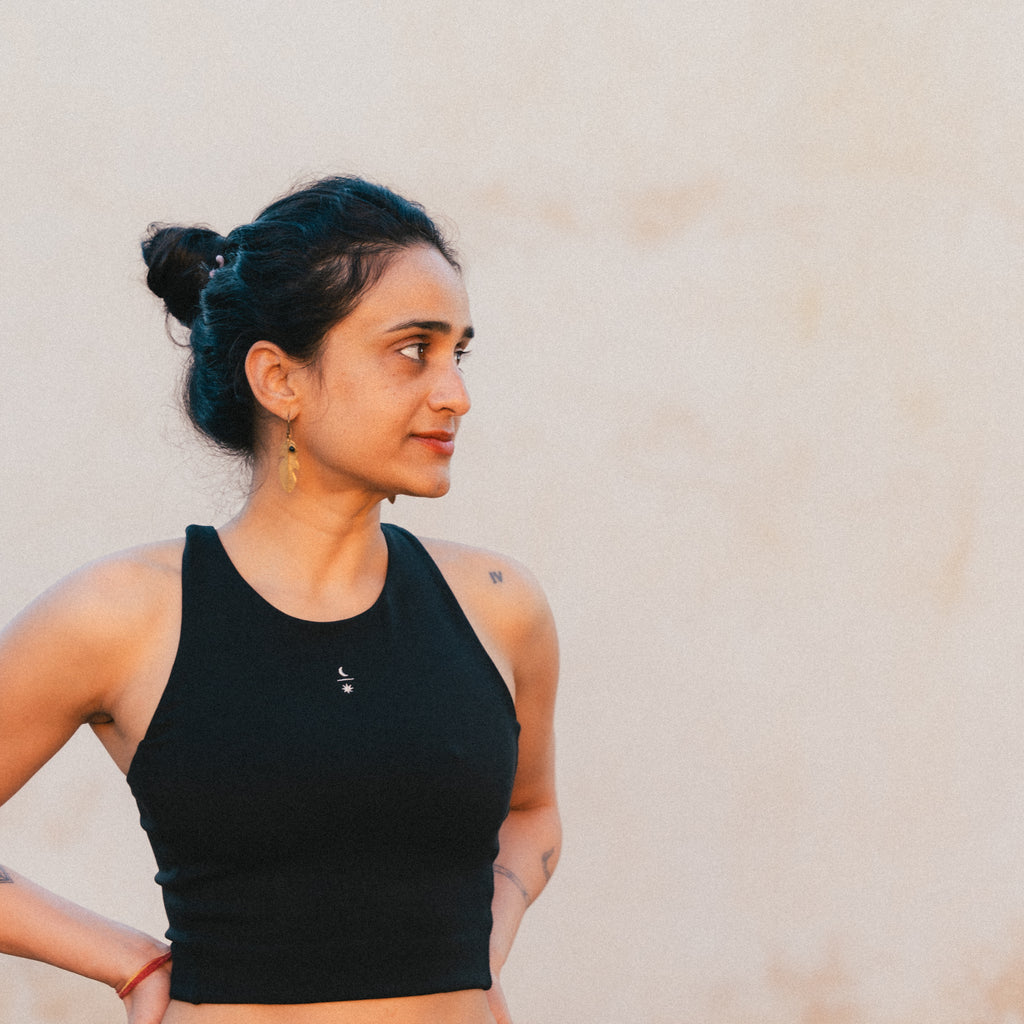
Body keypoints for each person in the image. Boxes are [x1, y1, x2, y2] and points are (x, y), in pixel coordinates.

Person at [0, 176, 560, 1024]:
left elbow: (533, 810)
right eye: (414, 349)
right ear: (278, 379)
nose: (455, 394)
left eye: (460, 353)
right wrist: (126, 961)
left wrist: (479, 941)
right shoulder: (124, 615)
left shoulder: (498, 605)